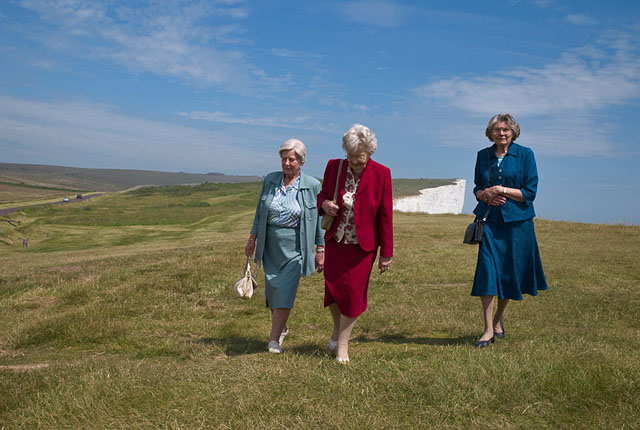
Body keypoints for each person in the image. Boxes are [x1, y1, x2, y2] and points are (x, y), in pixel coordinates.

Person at [318, 124, 393, 363]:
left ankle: (342, 345)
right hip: (336, 241)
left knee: (352, 294)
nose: (354, 162)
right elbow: (322, 195)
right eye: (350, 156)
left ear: (369, 152)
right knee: (332, 291)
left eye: (359, 157)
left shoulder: (382, 173)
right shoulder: (334, 167)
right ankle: (338, 331)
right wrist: (325, 205)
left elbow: (385, 215)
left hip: (362, 247)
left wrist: (386, 253)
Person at [471, 113, 548, 348]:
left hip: (519, 224)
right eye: (497, 129)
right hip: (491, 223)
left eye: (506, 129)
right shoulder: (482, 156)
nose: (501, 133)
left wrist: (501, 190)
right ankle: (487, 330)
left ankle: (497, 320)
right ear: (490, 133)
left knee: (508, 273)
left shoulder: (525, 155)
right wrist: (484, 195)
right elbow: (477, 187)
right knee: (487, 271)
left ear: (513, 132)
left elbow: (529, 192)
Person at [245, 138, 325, 354]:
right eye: (284, 159)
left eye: (291, 159)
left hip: (296, 246)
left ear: (301, 161)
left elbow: (319, 221)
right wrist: (252, 238)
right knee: (272, 291)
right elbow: (260, 212)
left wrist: (320, 249)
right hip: (270, 244)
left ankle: (273, 340)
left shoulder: (313, 185)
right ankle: (282, 326)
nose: (287, 163)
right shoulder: (271, 180)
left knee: (285, 290)